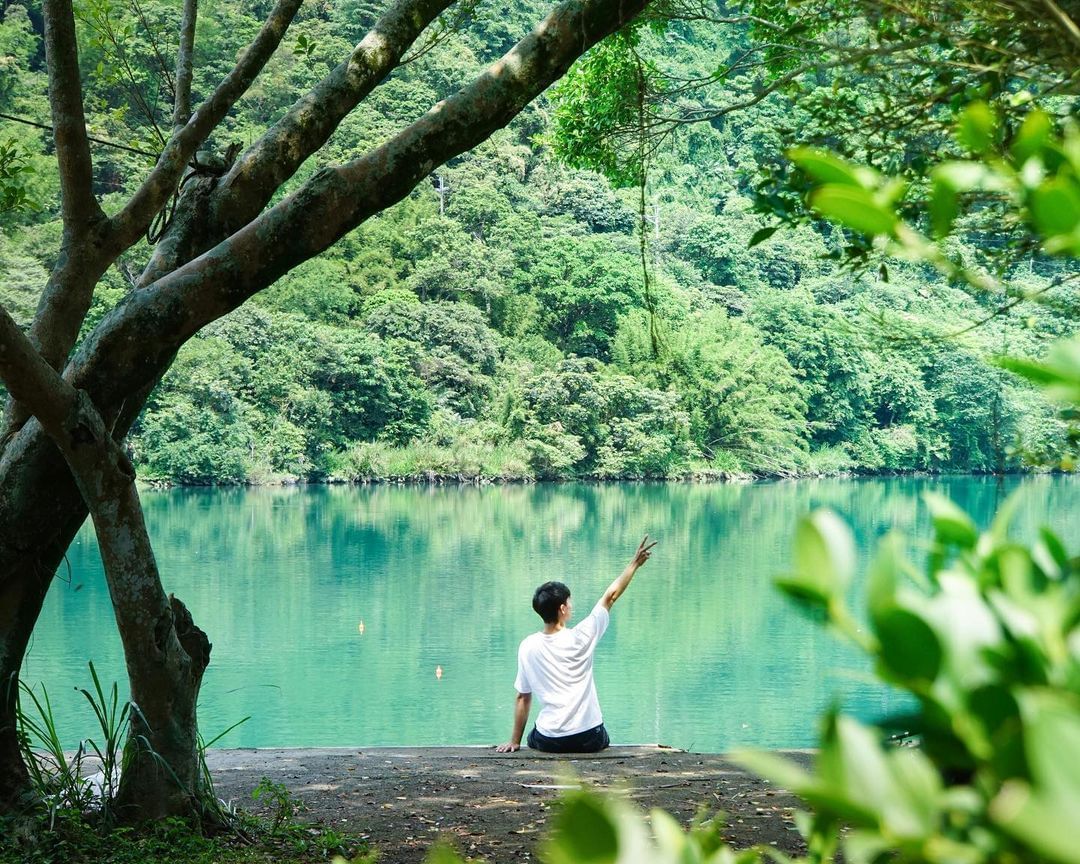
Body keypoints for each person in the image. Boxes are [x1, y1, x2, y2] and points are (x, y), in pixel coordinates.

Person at [495, 535, 657, 754]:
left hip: (549, 740)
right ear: (562, 609)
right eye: (569, 602)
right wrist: (634, 564)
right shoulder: (582, 636)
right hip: (589, 738)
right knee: (600, 733)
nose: (572, 606)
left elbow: (523, 697)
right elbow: (610, 597)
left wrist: (515, 741)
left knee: (536, 735)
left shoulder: (527, 646)